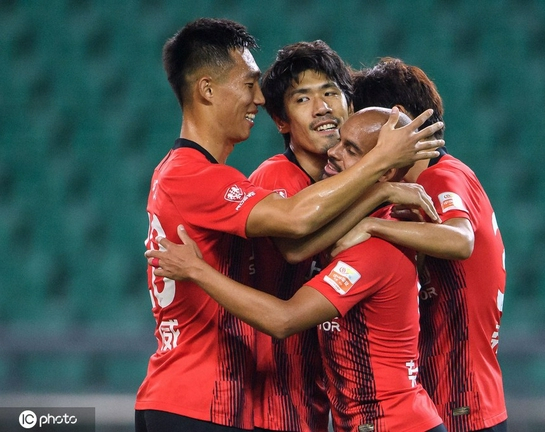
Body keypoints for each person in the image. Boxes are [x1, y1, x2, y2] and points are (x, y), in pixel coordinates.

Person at [134, 18, 444, 432]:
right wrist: (381, 170)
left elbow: (458, 241)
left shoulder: (206, 174)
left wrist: (383, 195)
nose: (258, 98)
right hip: (218, 400)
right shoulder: (231, 177)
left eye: (331, 92)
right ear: (207, 90)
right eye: (249, 84)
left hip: (255, 400)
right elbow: (295, 235)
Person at [337, 58, 508, 432]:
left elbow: (460, 239)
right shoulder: (414, 185)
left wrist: (373, 226)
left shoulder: (441, 176)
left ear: (395, 119)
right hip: (452, 395)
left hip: (460, 401)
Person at [248, 40, 353, 432]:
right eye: (303, 99)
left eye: (330, 93)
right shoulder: (276, 176)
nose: (322, 107)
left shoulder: (340, 186)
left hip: (309, 394)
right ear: (281, 121)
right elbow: (294, 246)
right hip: (268, 401)